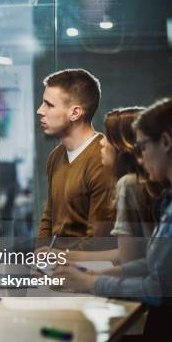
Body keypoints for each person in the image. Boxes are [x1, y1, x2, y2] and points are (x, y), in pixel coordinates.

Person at [55, 98, 172, 342]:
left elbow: (158, 286)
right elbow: (150, 264)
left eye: (144, 146)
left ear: (167, 142)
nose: (140, 157)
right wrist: (88, 276)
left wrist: (91, 282)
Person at [53, 107, 164, 265]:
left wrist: (79, 272)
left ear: (123, 146)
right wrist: (63, 256)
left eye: (108, 136)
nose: (101, 142)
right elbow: (128, 253)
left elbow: (128, 259)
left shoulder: (128, 185)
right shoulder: (148, 183)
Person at [36, 69, 115, 251]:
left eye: (49, 105)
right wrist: (40, 256)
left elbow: (98, 240)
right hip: (56, 267)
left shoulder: (103, 158)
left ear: (75, 113)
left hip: (85, 270)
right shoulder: (56, 156)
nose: (40, 111)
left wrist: (56, 258)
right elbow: (49, 217)